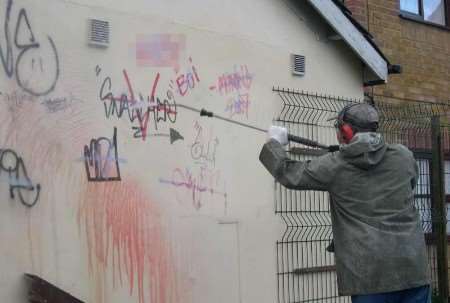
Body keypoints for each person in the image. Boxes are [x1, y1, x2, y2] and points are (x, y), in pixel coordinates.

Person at [259, 103, 430, 303]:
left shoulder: (336, 165)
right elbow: (409, 185)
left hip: (370, 278)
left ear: (346, 131)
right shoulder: (403, 156)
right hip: (413, 268)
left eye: (338, 129)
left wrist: (274, 143)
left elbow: (289, 173)